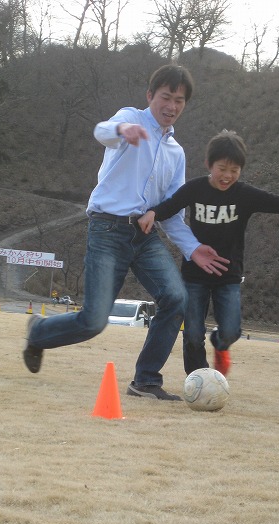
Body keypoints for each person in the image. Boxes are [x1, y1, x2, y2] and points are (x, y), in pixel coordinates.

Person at [22, 65, 229, 401]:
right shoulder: (130, 118)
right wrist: (122, 129)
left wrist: (193, 248)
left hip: (145, 237)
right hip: (107, 229)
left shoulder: (176, 153)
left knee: (176, 298)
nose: (171, 106)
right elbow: (102, 131)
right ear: (150, 96)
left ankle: (145, 381)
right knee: (94, 321)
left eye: (179, 100)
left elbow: (172, 212)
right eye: (165, 97)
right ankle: (39, 332)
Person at [137, 130, 279, 376]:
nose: (227, 176)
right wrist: (152, 213)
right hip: (195, 275)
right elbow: (170, 206)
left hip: (228, 276)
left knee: (230, 331)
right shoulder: (195, 189)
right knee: (193, 334)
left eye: (234, 170)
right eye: (222, 169)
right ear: (209, 164)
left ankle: (221, 345)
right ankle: (199, 378)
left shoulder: (244, 195)